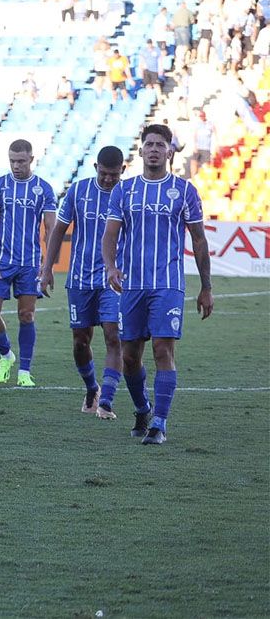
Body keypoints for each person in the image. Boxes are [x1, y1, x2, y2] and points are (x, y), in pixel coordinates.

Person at [102, 125, 213, 445]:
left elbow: (199, 240)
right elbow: (110, 235)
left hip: (168, 284)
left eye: (159, 145)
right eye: (148, 144)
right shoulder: (125, 191)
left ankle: (160, 423)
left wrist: (206, 287)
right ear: (140, 151)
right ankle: (142, 408)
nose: (153, 149)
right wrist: (110, 267)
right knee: (130, 357)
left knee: (163, 349)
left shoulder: (185, 190)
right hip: (131, 285)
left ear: (169, 152)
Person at [38, 146, 125, 417]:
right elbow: (59, 230)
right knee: (80, 341)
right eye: (104, 173)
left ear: (122, 170)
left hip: (114, 278)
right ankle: (92, 387)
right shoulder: (78, 191)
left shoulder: (129, 194)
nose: (109, 179)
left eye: (114, 174)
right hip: (79, 278)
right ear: (95, 167)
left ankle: (107, 401)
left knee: (113, 335)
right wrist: (47, 267)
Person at [0, 139, 57, 387]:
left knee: (26, 315)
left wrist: (48, 266)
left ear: (31, 160)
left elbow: (50, 228)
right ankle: (6, 355)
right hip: (1, 261)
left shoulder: (43, 189)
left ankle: (24, 371)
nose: (16, 165)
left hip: (29, 263)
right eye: (12, 161)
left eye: (21, 161)